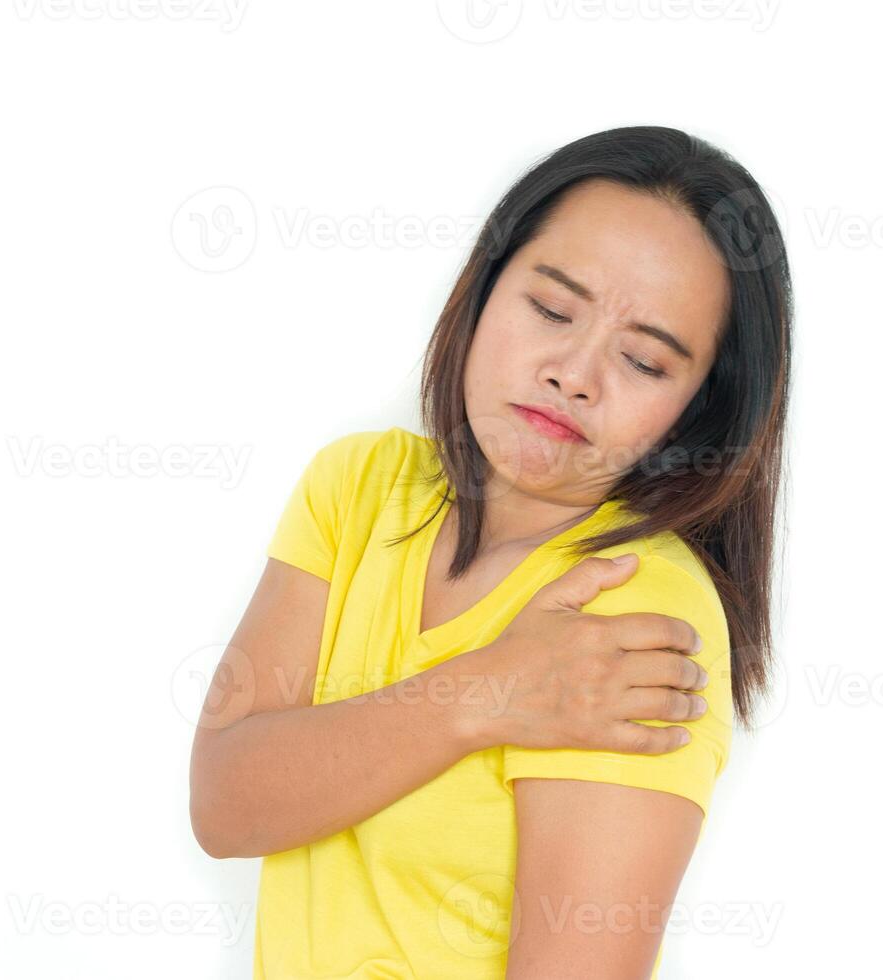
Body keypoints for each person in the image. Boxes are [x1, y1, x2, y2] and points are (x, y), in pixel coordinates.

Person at [190, 125, 791, 979]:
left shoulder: (636, 611)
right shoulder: (358, 487)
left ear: (696, 411)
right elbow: (225, 807)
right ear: (483, 289)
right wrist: (487, 692)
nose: (575, 372)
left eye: (645, 361)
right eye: (550, 309)